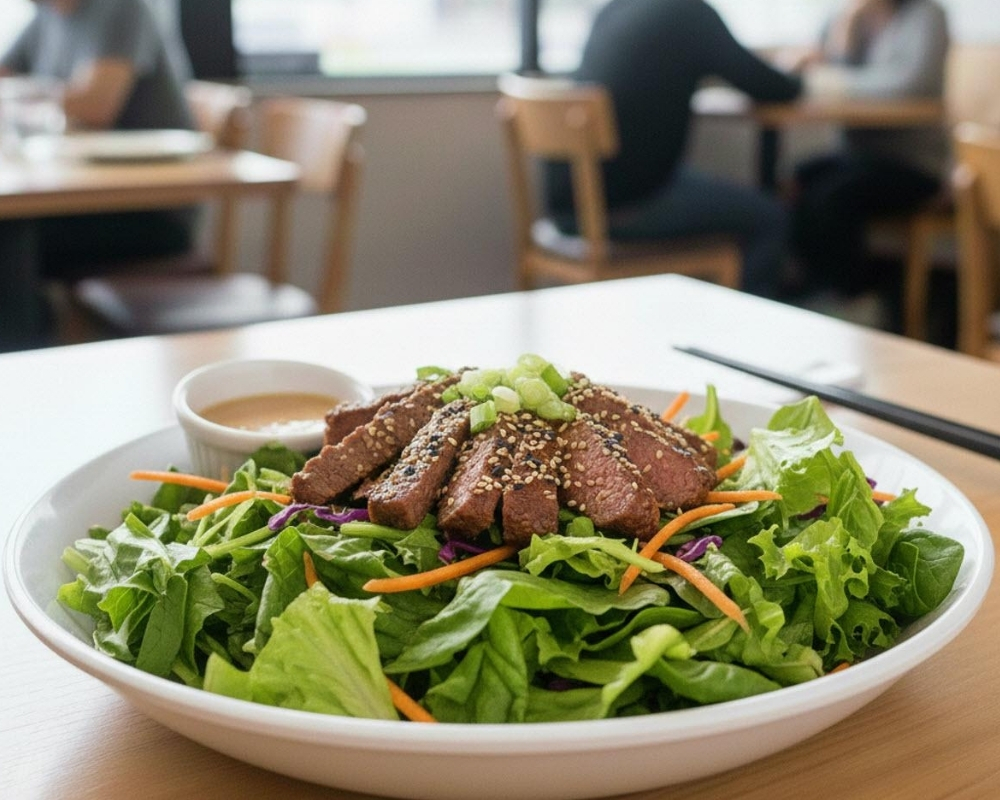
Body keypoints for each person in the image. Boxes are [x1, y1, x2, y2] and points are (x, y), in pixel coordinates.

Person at [544, 0, 803, 299]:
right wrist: (794, 69)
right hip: (626, 203)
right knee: (770, 217)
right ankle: (749, 322)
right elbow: (772, 87)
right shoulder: (690, 14)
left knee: (699, 183)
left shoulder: (616, 8)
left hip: (569, 202)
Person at [0, 0, 197, 351]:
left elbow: (95, 105)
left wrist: (28, 92)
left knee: (9, 235)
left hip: (149, 211)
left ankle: (22, 361)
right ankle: (31, 342)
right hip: (76, 199)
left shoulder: (123, 8)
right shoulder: (46, 17)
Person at [790, 0, 950, 299]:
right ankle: (815, 289)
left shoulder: (926, 16)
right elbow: (822, 72)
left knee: (833, 195)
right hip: (857, 155)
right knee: (799, 178)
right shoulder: (852, 17)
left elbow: (909, 85)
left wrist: (828, 81)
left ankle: (849, 298)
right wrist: (844, 29)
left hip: (914, 162)